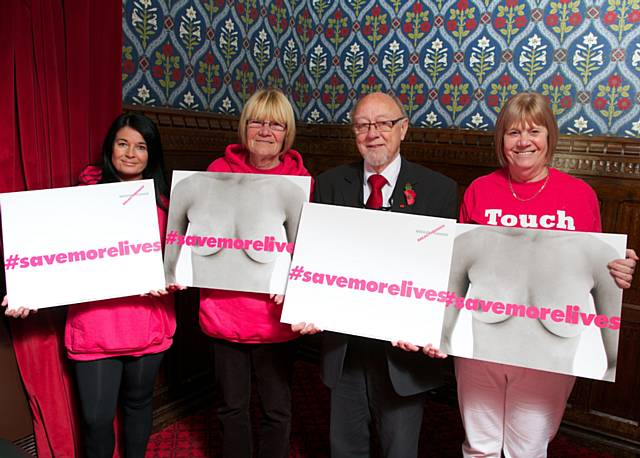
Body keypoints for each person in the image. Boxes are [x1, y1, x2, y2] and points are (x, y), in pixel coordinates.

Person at [406, 92, 637, 457]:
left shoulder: (579, 195)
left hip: (550, 347)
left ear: (550, 138)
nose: (524, 141)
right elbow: (456, 269)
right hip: (482, 344)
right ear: (502, 140)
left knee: (527, 449)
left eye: (534, 131)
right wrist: (441, 332)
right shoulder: (481, 191)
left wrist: (617, 268)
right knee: (479, 445)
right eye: (513, 133)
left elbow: (594, 268)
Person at [294, 91, 457, 458]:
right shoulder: (331, 185)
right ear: (354, 133)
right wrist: (308, 304)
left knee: (399, 450)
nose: (373, 133)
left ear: (403, 129)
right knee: (345, 448)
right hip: (345, 346)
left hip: (402, 353)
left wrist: (429, 327)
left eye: (384, 123)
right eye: (363, 125)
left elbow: (444, 271)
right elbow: (316, 258)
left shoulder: (438, 190)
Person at [4, 113, 176, 458]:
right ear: (109, 148)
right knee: (96, 419)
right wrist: (26, 291)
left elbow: (178, 268)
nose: (130, 153)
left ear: (151, 154)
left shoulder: (165, 208)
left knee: (139, 405)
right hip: (95, 328)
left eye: (141, 147)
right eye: (123, 143)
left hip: (147, 325)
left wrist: (170, 280)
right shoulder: (79, 202)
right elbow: (52, 258)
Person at [182, 89, 311, 458]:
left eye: (276, 123)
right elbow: (199, 237)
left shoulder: (302, 183)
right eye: (257, 121)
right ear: (244, 126)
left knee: (276, 408)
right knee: (231, 406)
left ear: (287, 133)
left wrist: (294, 283)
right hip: (224, 314)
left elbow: (306, 250)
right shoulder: (216, 174)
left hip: (274, 320)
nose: (265, 130)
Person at [442, 226, 622, 380]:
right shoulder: (469, 244)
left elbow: (616, 364)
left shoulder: (599, 255)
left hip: (547, 394)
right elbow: (441, 337)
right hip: (479, 381)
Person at [163, 171, 306, 293]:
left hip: (265, 317)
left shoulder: (289, 193)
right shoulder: (189, 188)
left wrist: (291, 296)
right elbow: (166, 274)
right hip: (205, 317)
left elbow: (304, 275)